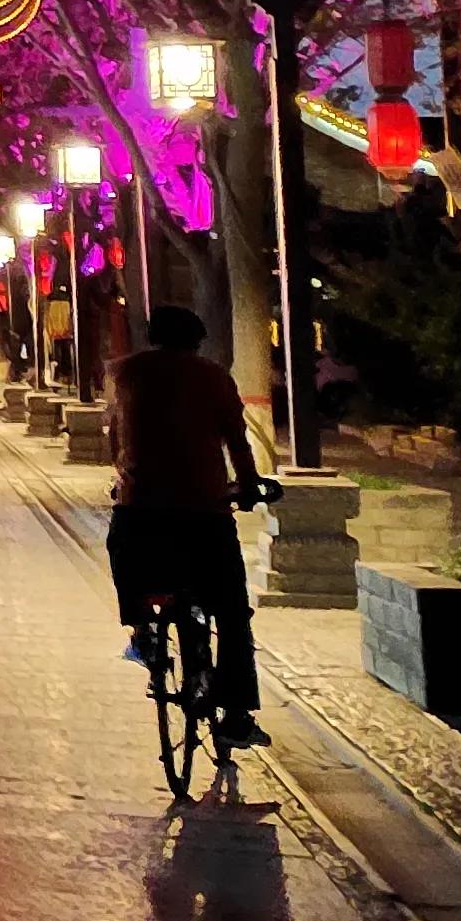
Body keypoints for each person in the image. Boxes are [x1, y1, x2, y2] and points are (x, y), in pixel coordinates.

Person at [106, 305, 270, 748]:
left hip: (141, 510)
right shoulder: (213, 377)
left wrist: (124, 479)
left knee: (122, 550)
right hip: (204, 513)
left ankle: (142, 629)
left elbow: (116, 436)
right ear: (197, 341)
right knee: (232, 613)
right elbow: (236, 440)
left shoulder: (126, 374)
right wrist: (248, 486)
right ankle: (237, 714)